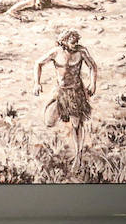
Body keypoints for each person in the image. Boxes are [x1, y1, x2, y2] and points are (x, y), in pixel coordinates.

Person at [33, 29, 99, 169]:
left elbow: (92, 66)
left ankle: (78, 156)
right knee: (49, 121)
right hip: (60, 91)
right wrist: (37, 83)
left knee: (76, 124)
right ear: (64, 41)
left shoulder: (81, 52)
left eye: (77, 41)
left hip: (76, 92)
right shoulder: (56, 52)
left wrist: (93, 83)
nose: (75, 44)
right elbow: (38, 63)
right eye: (72, 41)